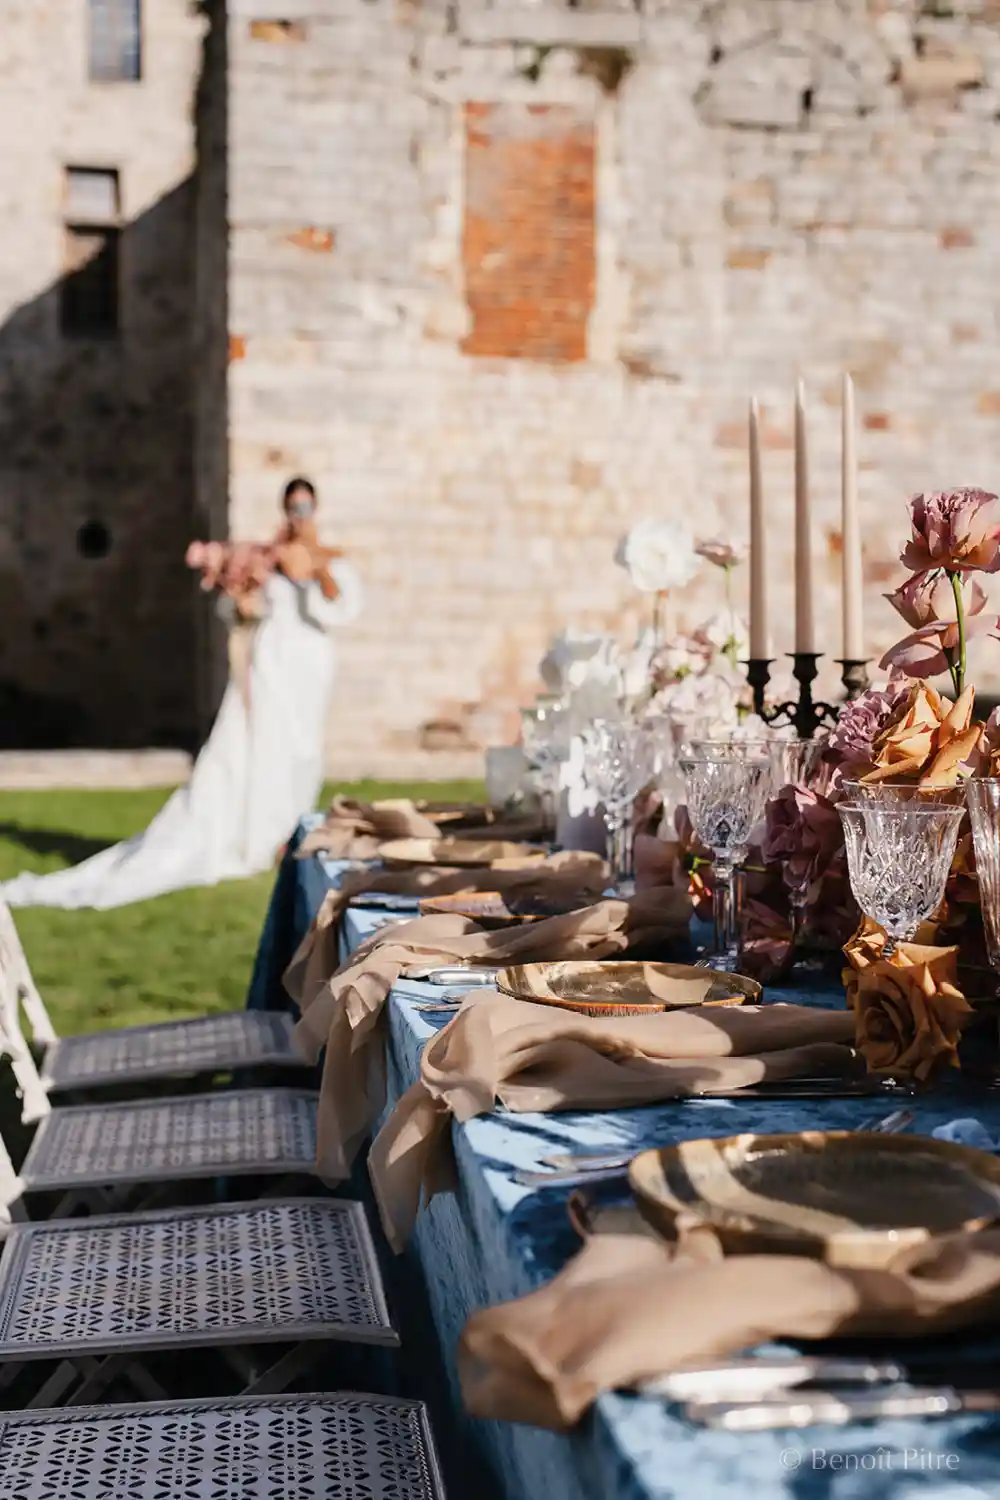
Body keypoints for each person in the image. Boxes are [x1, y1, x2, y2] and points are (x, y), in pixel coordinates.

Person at [2, 479, 361, 910]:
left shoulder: (330, 558)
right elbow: (243, 613)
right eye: (292, 505)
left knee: (301, 751)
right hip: (270, 666)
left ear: (315, 508)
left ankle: (287, 832)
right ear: (284, 508)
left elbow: (342, 608)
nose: (298, 513)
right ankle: (257, 835)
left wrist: (315, 568)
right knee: (261, 746)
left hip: (309, 667)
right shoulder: (264, 556)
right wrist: (242, 597)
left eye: (305, 505)